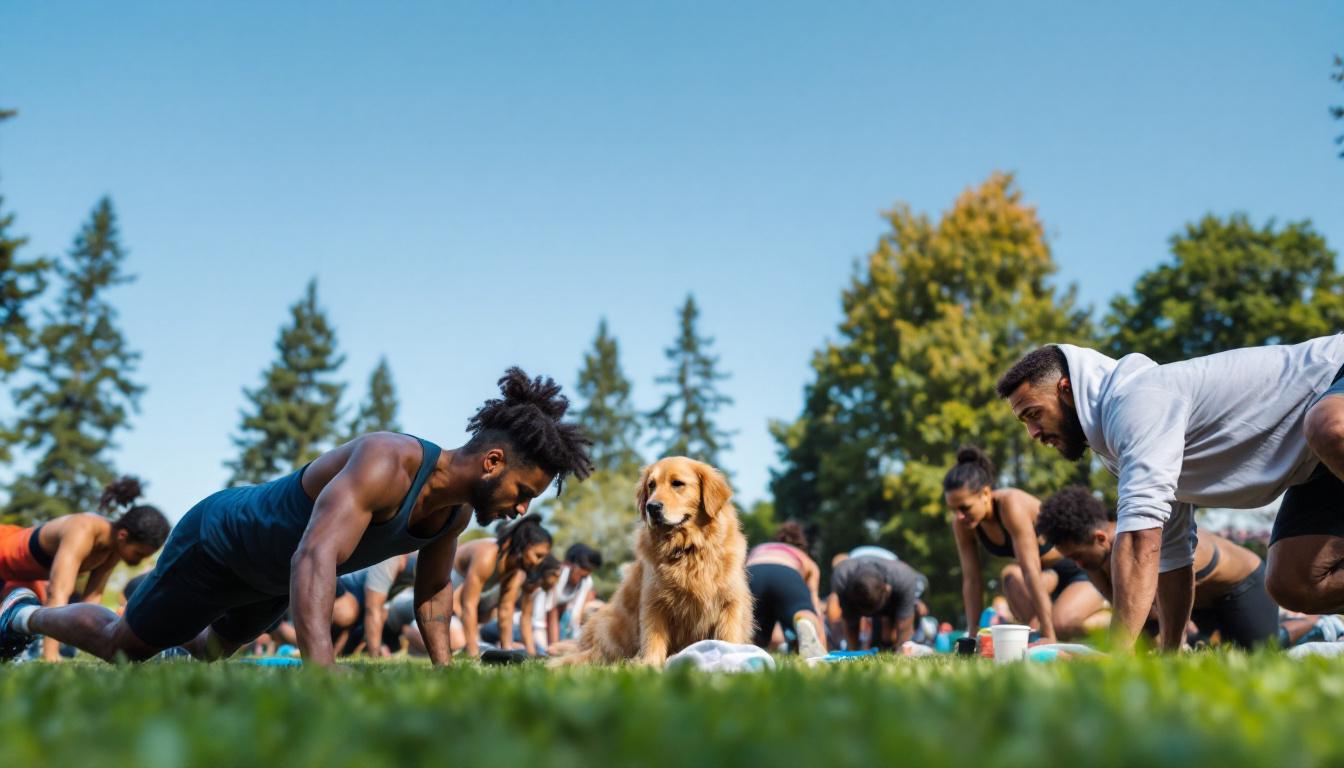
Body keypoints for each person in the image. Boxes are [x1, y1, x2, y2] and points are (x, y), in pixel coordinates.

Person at [0, 368, 593, 666]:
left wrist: (447, 673)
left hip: (270, 579)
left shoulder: (454, 514)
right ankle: (23, 615)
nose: (521, 508)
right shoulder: (389, 460)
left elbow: (436, 596)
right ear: (493, 461)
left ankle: (171, 642)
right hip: (223, 540)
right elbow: (316, 558)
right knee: (121, 646)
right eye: (524, 491)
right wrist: (324, 677)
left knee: (204, 655)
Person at [995, 335, 1344, 650]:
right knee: (1294, 584)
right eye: (1023, 422)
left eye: (1034, 414)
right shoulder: (1117, 450)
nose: (1032, 433)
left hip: (1333, 378)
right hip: (1315, 465)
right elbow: (1171, 556)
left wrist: (1115, 657)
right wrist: (1170, 653)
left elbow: (1139, 540)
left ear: (1065, 390)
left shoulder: (1136, 402)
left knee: (1331, 427)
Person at [1037, 486, 1277, 649]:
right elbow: (1127, 619)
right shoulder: (1094, 559)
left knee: (1263, 655)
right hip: (1198, 604)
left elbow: (1158, 604)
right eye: (1072, 559)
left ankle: (1309, 627)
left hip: (1242, 586)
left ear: (1100, 538)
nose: (1078, 565)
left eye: (1078, 556)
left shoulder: (1142, 542)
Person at [945, 446, 1107, 641]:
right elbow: (972, 580)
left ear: (985, 493)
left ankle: (1110, 617)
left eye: (965, 507)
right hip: (1048, 576)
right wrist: (972, 636)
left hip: (1078, 569)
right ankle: (1044, 630)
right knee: (1010, 576)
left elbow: (1030, 570)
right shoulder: (963, 523)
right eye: (954, 509)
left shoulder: (1011, 504)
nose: (959, 516)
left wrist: (1048, 637)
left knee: (1060, 625)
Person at [0, 477, 169, 661]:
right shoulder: (82, 529)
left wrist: (87, 641)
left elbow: (92, 598)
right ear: (123, 535)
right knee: (37, 612)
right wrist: (50, 655)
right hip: (4, 551)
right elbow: (59, 592)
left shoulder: (114, 549)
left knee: (25, 616)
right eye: (138, 554)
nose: (139, 561)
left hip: (21, 575)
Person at [452, 516, 553, 657]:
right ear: (524, 546)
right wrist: (472, 652)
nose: (539, 562)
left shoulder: (515, 570)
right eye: (538, 555)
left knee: (477, 644)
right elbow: (468, 605)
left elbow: (506, 610)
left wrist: (508, 652)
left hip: (463, 607)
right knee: (459, 642)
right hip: (444, 597)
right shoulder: (487, 556)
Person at [745, 522, 826, 657]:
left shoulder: (758, 549)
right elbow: (815, 606)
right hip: (787, 573)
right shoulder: (805, 558)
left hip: (753, 573)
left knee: (752, 627)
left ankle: (751, 648)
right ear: (803, 545)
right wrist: (823, 649)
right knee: (802, 612)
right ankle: (804, 622)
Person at [830, 555, 925, 650]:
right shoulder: (842, 577)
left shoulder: (903, 578)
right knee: (851, 624)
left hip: (893, 598)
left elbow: (905, 624)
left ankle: (890, 646)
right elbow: (849, 621)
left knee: (891, 637)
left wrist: (902, 650)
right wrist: (852, 653)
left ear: (887, 589)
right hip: (854, 597)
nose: (869, 614)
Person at [481, 554, 562, 655]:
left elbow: (526, 620)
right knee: (537, 648)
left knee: (538, 650)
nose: (557, 582)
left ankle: (503, 647)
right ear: (546, 572)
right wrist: (507, 648)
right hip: (494, 626)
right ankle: (504, 647)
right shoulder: (520, 579)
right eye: (556, 575)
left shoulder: (534, 588)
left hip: (511, 628)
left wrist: (531, 652)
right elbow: (505, 613)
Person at [546, 543, 602, 645]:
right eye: (581, 574)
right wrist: (554, 645)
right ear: (571, 565)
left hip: (561, 622)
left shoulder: (586, 581)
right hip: (544, 618)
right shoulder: (558, 575)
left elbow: (577, 614)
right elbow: (551, 610)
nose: (582, 577)